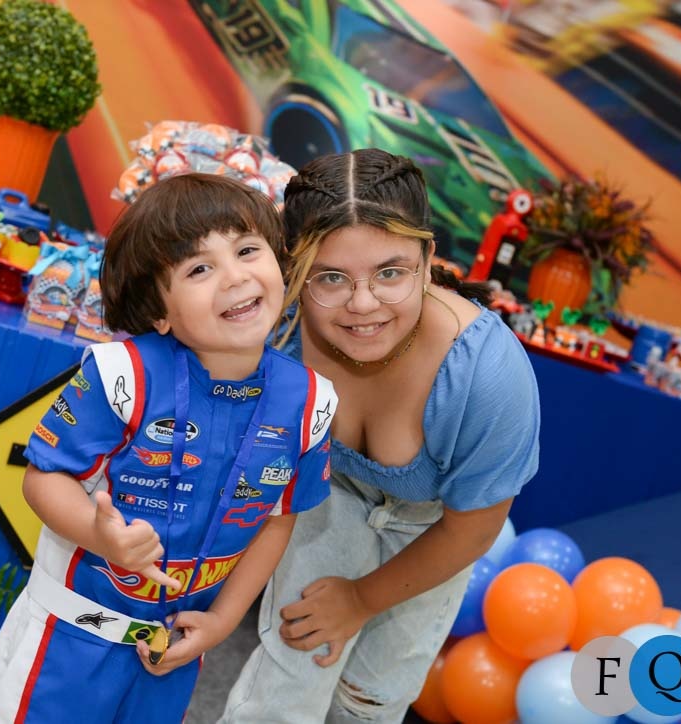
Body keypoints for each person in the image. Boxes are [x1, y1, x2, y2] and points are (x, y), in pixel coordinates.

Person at [0, 173, 337, 723]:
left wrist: (222, 622)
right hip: (68, 641)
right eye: (198, 269)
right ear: (158, 310)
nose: (235, 277)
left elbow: (277, 519)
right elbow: (42, 477)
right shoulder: (121, 374)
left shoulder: (311, 403)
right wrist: (101, 536)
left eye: (246, 250)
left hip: (172, 654)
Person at [221, 149, 540, 723]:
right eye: (331, 277)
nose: (363, 304)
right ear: (294, 270)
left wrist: (361, 599)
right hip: (327, 493)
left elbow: (473, 529)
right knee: (285, 681)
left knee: (371, 701)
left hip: (435, 527)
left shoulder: (487, 373)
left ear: (428, 258)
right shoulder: (277, 325)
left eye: (390, 272)